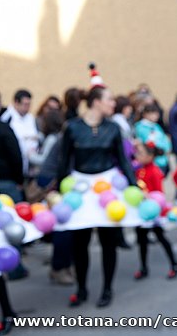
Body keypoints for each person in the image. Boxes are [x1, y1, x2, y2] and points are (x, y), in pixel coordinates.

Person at [58, 68, 138, 308]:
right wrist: (60, 192)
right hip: (81, 187)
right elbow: (64, 161)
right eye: (109, 100)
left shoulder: (114, 128)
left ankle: (106, 289)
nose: (113, 103)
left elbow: (123, 160)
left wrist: (135, 186)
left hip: (107, 187)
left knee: (108, 240)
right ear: (95, 103)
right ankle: (81, 288)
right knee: (79, 241)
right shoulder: (72, 127)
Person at [133, 141, 177, 280]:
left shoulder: (155, 171)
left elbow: (159, 193)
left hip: (153, 211)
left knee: (161, 237)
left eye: (141, 153)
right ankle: (143, 268)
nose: (137, 156)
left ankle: (174, 264)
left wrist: (150, 198)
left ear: (150, 156)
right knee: (141, 240)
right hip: (141, 211)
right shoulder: (138, 169)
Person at [0, 89, 39, 177]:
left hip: (30, 164)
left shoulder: (30, 118)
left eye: (29, 104)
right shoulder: (7, 118)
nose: (28, 107)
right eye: (25, 104)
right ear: (16, 103)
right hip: (13, 165)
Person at [134, 104, 172, 177]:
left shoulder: (156, 126)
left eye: (157, 114)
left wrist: (167, 148)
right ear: (145, 114)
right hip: (152, 160)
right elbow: (146, 143)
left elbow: (164, 139)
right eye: (153, 113)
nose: (156, 116)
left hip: (163, 158)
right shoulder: (140, 127)